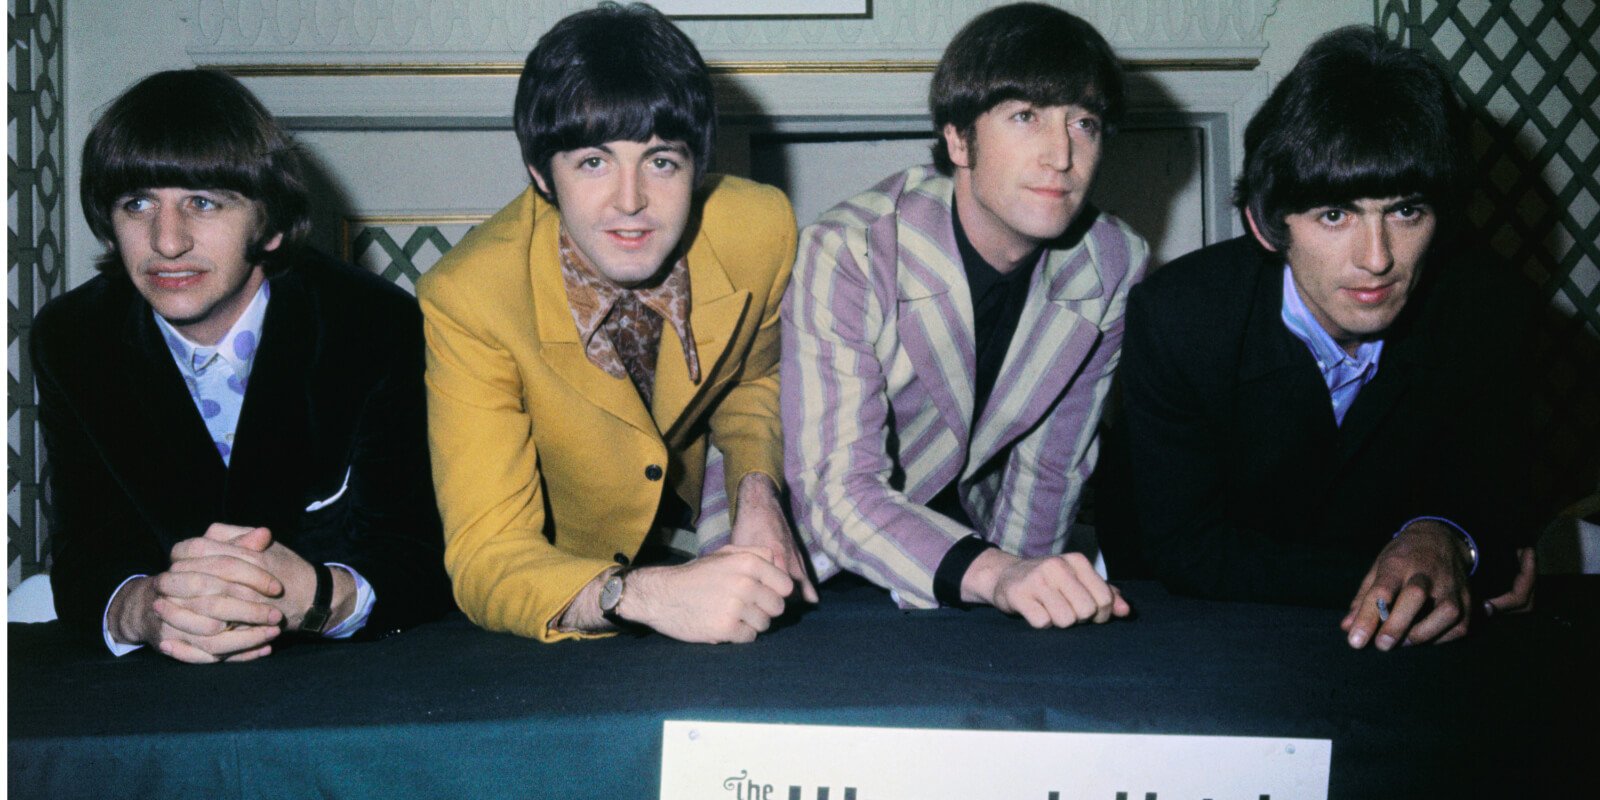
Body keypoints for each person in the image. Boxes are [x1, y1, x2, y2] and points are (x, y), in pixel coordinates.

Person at [1104, 26, 1541, 650]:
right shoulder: (1180, 318)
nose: (1377, 258)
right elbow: (1186, 551)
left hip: (1397, 650)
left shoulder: (1487, 309)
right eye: (1335, 215)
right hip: (1192, 630)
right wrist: (1426, 567)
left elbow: (1499, 504)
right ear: (1266, 225)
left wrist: (1445, 534)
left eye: (1405, 211)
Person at [419, 2, 809, 644]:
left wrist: (758, 491)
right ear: (542, 174)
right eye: (594, 163)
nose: (631, 202)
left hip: (702, 537)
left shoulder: (761, 228)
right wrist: (635, 595)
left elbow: (753, 381)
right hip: (572, 592)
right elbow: (487, 553)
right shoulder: (469, 298)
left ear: (697, 166)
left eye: (661, 161)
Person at [33, 69, 453, 663]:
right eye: (138, 203)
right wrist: (146, 609)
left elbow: (416, 553)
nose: (167, 241)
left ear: (271, 225)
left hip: (341, 671)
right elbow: (85, 554)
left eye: (202, 202)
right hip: (164, 678)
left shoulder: (373, 323)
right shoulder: (73, 338)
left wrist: (315, 597)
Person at [782, 3, 1147, 627]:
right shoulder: (851, 249)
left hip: (973, 559)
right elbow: (836, 491)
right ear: (957, 139)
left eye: (1084, 123)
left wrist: (1028, 592)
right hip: (816, 568)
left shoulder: (1113, 260)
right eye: (1026, 116)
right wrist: (998, 575)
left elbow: (1051, 468)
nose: (1061, 155)